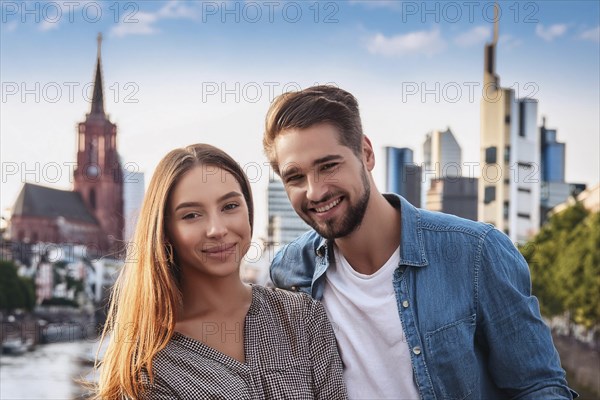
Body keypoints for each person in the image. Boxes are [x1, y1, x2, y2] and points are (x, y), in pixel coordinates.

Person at [263, 85, 577, 399]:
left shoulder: (477, 253)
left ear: (366, 153)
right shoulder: (290, 271)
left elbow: (539, 387)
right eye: (295, 177)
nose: (315, 192)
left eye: (328, 166)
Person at [94, 143, 347, 399]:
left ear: (248, 210)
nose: (217, 229)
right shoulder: (151, 372)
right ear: (166, 233)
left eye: (229, 206)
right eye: (191, 215)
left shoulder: (302, 316)